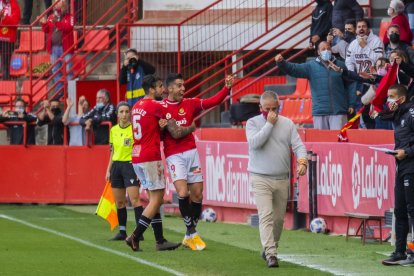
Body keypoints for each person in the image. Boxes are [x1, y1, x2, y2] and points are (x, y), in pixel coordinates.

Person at [160, 73, 234, 251]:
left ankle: (188, 236)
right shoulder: (160, 107)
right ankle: (192, 232)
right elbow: (157, 131)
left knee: (198, 195)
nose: (183, 88)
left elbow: (213, 102)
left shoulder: (190, 103)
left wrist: (226, 88)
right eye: (179, 85)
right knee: (183, 192)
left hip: (191, 152)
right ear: (169, 88)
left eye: (183, 85)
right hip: (173, 155)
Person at [125, 74, 195, 252]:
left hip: (137, 156)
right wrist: (191, 127)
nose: (162, 90)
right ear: (151, 89)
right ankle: (135, 236)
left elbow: (150, 126)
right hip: (150, 156)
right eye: (159, 87)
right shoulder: (156, 105)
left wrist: (159, 126)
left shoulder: (136, 106)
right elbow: (175, 123)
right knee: (157, 200)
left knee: (151, 200)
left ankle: (160, 240)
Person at [246, 91, 307, 268]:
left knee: (279, 220)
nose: (271, 112)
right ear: (261, 108)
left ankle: (269, 248)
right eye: (267, 109)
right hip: (260, 177)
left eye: (275, 108)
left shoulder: (287, 124)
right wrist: (269, 125)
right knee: (266, 215)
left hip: (281, 178)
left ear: (279, 107)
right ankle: (272, 254)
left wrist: (302, 161)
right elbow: (255, 143)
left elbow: (299, 146)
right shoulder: (252, 123)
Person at [275, 41, 356, 130]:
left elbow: (351, 83)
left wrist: (351, 103)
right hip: (320, 112)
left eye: (328, 48)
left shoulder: (341, 65)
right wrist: (281, 63)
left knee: (339, 141)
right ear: (318, 52)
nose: (326, 51)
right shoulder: (311, 66)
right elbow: (294, 69)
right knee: (322, 142)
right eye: (323, 49)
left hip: (338, 111)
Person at [380, 84, 414, 266]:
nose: (388, 100)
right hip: (401, 166)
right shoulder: (399, 114)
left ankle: (413, 252)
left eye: (391, 96)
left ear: (401, 98)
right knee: (400, 210)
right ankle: (399, 251)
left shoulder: (411, 113)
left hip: (411, 166)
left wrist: (407, 152)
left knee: (412, 210)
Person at [40, 0, 74, 99]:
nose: (59, 7)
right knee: (55, 71)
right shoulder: (51, 17)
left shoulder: (70, 17)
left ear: (66, 7)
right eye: (57, 5)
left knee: (68, 70)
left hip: (66, 48)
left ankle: (71, 92)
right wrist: (43, 23)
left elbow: (68, 28)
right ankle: (60, 92)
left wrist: (57, 23)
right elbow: (47, 30)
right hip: (54, 48)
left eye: (61, 5)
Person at [0, 0, 20, 80]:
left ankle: (6, 85)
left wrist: (5, 18)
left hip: (7, 39)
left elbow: (15, 21)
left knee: (5, 64)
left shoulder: (14, 4)